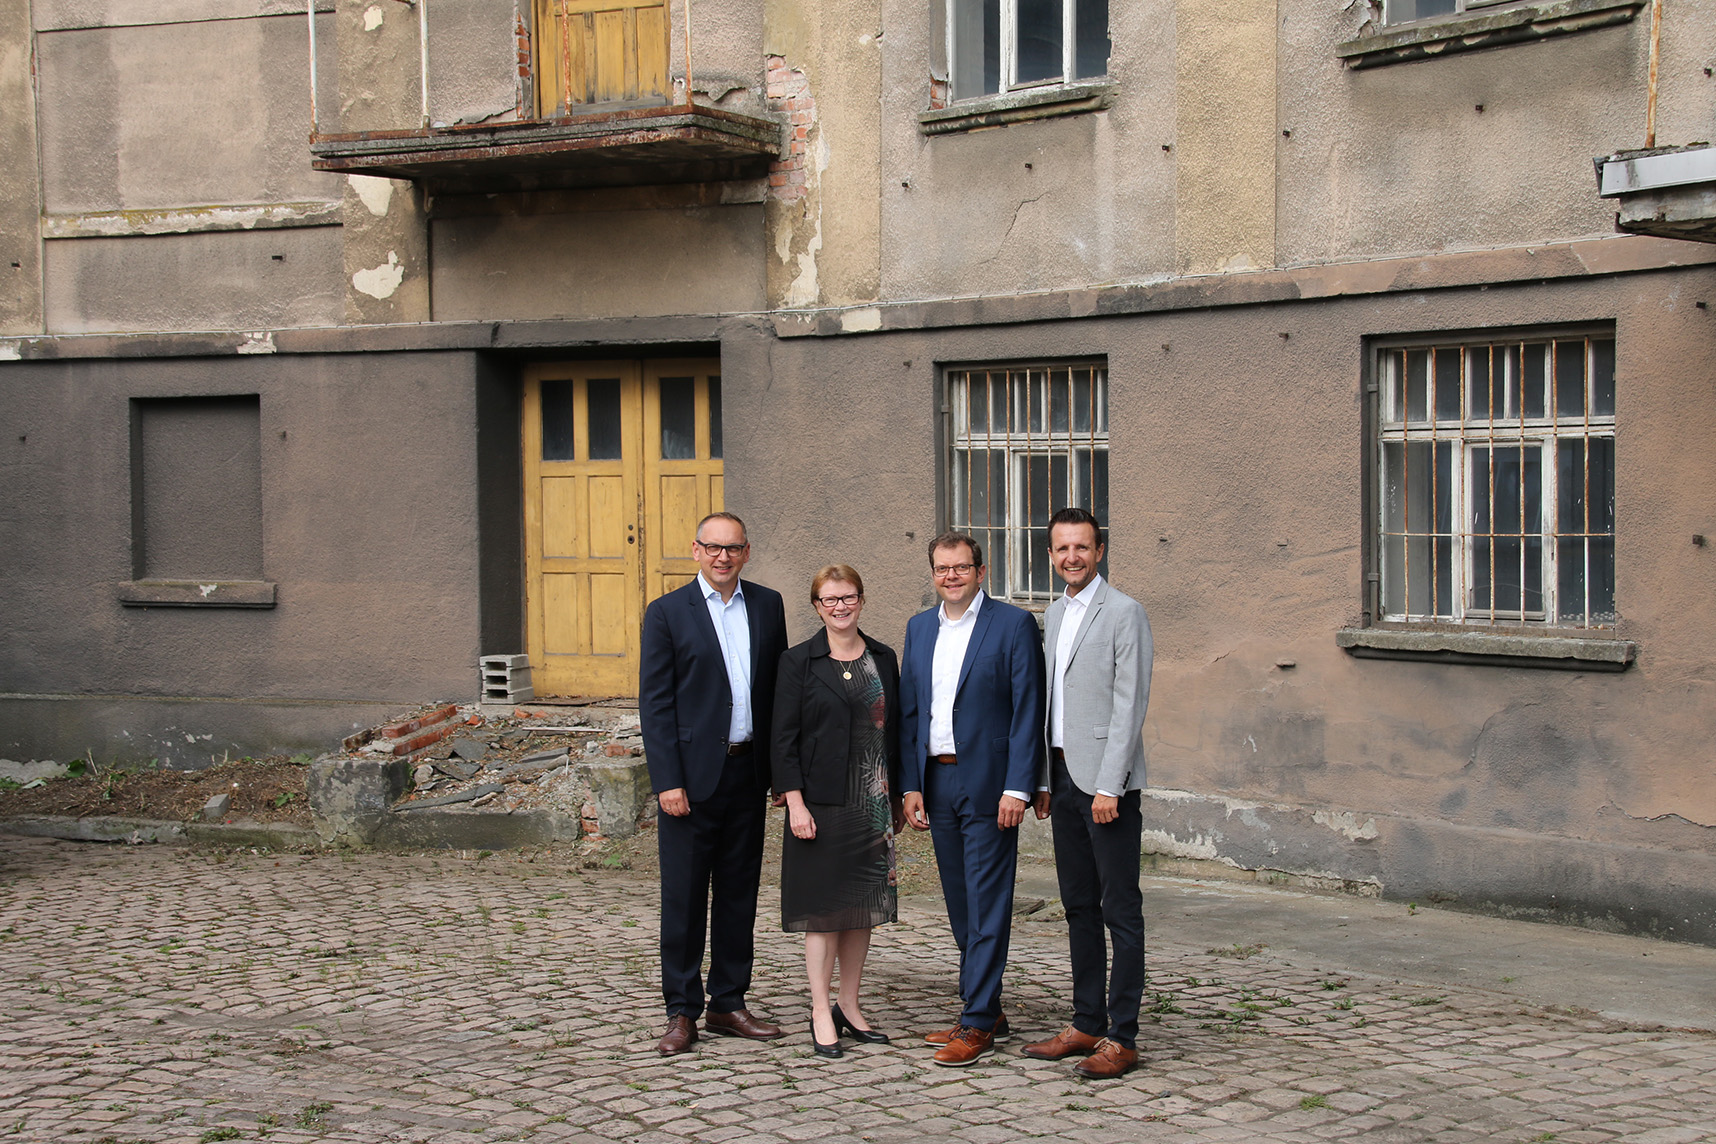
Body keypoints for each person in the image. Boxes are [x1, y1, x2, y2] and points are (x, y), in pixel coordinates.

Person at [638, 511, 789, 1056]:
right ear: (696, 550)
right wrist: (666, 781)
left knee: (737, 895)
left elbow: (777, 697)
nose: (723, 557)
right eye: (713, 548)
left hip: (746, 774)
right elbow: (654, 705)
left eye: (733, 548)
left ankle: (728, 1001)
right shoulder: (667, 613)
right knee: (682, 899)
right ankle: (681, 1010)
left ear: (747, 553)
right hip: (690, 782)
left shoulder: (768, 606)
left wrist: (778, 773)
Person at [898, 531, 1046, 1067]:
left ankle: (978, 1020)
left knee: (988, 903)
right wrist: (910, 784)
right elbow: (912, 710)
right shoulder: (919, 628)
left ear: (981, 572)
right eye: (942, 568)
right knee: (961, 902)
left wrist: (1019, 785)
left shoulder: (1013, 625)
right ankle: (988, 1005)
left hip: (990, 783)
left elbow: (1030, 707)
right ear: (933, 574)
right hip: (937, 782)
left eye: (962, 567)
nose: (952, 576)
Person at [1022, 508, 1153, 1079]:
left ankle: (1122, 1037)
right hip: (1063, 782)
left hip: (1106, 787)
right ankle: (1086, 1022)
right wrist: (1047, 782)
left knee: (1119, 910)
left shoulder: (1125, 612)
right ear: (1050, 555)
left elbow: (1130, 705)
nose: (1070, 557)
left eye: (1081, 547)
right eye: (1060, 549)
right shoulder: (1053, 614)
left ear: (1099, 551)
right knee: (1078, 907)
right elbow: (1054, 706)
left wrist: (1110, 784)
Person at [771, 564, 903, 1059]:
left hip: (872, 804)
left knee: (860, 910)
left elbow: (898, 731)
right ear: (817, 606)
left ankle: (850, 1004)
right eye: (830, 600)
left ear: (862, 600)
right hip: (820, 807)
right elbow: (782, 739)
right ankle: (820, 1008)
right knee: (823, 914)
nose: (840, 607)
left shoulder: (883, 658)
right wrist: (795, 804)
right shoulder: (798, 662)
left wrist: (899, 796)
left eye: (848, 597)